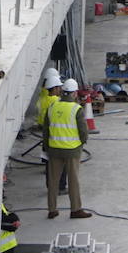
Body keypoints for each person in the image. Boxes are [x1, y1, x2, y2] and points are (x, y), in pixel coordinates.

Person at [42, 78, 92, 220]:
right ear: (75, 93)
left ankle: (52, 209)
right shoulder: (76, 109)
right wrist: (82, 143)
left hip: (54, 150)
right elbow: (83, 131)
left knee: (53, 181)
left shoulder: (52, 107)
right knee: (73, 181)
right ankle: (75, 209)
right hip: (72, 150)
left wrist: (47, 147)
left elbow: (46, 131)